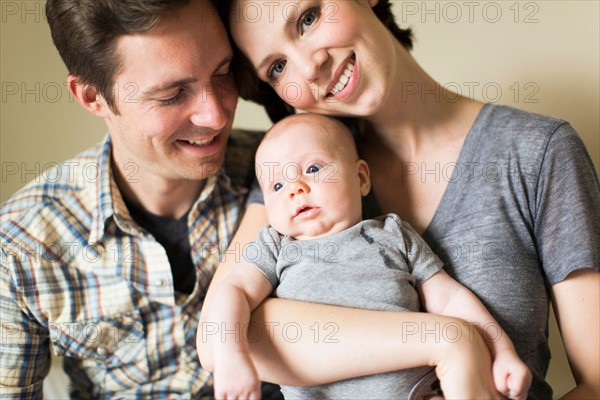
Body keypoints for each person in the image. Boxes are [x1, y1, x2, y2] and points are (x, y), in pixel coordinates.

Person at [199, 1, 600, 399]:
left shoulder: (539, 152)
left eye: (308, 18)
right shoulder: (295, 171)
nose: (309, 67)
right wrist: (445, 339)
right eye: (277, 67)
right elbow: (216, 338)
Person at [0, 0, 286, 398]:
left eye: (222, 73)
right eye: (172, 95)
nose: (216, 114)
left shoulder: (291, 175)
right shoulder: (20, 244)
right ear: (91, 96)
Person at [201, 113, 532, 399]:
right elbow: (235, 292)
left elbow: (449, 300)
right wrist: (231, 356)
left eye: (313, 168)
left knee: (463, 363)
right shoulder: (275, 245)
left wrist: (502, 352)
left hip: (416, 392)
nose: (295, 188)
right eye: (276, 186)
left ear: (360, 177)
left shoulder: (392, 235)